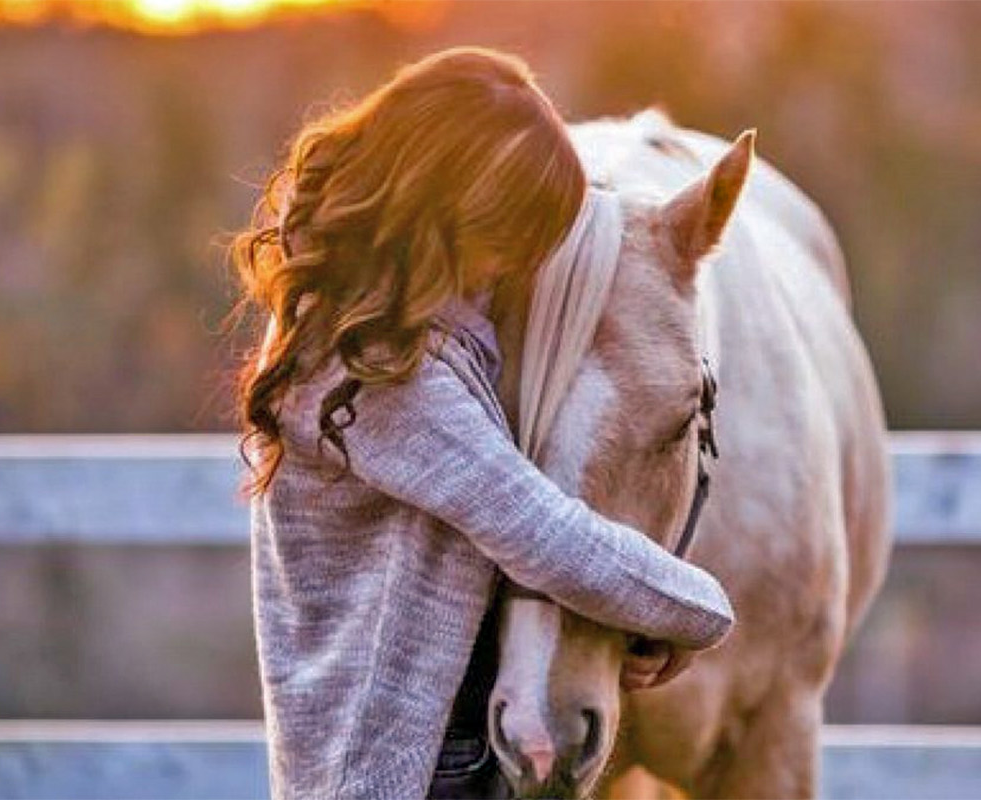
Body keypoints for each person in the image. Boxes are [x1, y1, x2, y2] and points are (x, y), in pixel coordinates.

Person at [230, 47, 735, 800]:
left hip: (443, 752)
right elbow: (537, 530)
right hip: (407, 775)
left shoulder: (410, 326)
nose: (517, 264)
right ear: (453, 209)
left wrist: (619, 626)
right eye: (515, 233)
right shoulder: (374, 369)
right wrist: (696, 609)